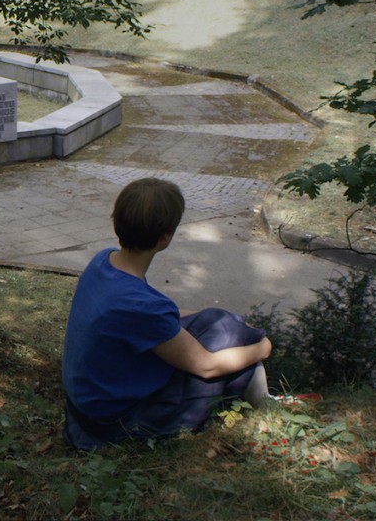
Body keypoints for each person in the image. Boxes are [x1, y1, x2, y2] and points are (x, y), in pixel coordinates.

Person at [61, 177, 272, 450]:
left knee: (221, 322)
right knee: (231, 350)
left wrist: (213, 316)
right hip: (112, 421)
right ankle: (264, 401)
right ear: (165, 237)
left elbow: (159, 319)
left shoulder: (103, 261)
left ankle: (258, 385)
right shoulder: (140, 306)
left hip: (85, 405)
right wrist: (262, 347)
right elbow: (206, 366)